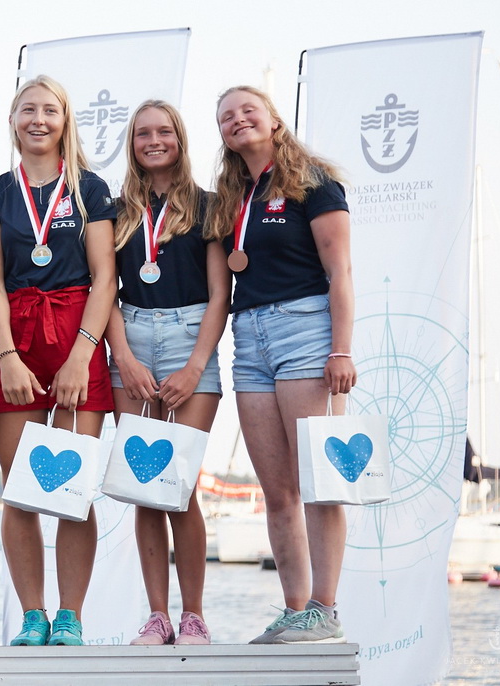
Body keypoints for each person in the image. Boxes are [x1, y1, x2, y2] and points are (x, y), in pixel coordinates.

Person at [207, 85, 356, 644]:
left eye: (248, 110)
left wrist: (341, 349)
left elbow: (341, 271)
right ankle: (296, 610)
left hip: (305, 331)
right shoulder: (232, 195)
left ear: (274, 120)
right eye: (226, 117)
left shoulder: (313, 182)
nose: (238, 120)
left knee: (317, 481)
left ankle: (326, 607)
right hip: (249, 339)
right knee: (277, 491)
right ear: (223, 135)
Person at [0, 75, 117, 647]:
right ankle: (34, 615)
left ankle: (71, 617)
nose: (38, 119)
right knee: (21, 488)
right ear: (12, 120)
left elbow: (105, 278)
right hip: (16, 335)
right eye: (27, 109)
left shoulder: (91, 188)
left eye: (49, 110)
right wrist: (7, 356)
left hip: (77, 333)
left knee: (72, 487)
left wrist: (82, 355)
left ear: (65, 120)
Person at [104, 100, 228, 646]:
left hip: (190, 337)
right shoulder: (114, 211)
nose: (154, 141)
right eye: (143, 134)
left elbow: (221, 293)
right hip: (130, 337)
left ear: (180, 138)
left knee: (180, 484)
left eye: (164, 132)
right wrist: (124, 358)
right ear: (131, 144)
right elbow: (103, 290)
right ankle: (157, 616)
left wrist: (195, 365)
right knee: (145, 486)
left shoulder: (209, 206)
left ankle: (193, 616)